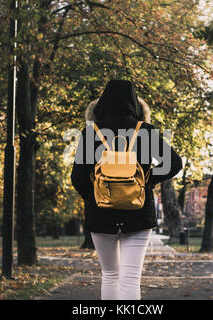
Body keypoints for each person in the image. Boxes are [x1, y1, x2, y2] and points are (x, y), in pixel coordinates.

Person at [71, 79, 182, 300]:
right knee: (131, 278)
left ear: (101, 104)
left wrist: (96, 197)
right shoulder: (146, 132)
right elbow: (175, 164)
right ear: (135, 105)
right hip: (139, 212)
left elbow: (77, 178)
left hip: (100, 214)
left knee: (110, 275)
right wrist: (147, 180)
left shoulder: (91, 134)